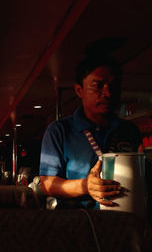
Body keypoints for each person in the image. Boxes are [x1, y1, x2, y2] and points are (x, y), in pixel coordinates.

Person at [39, 56, 143, 209]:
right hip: (78, 223)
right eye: (98, 86)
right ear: (79, 90)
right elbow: (47, 184)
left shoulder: (129, 130)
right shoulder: (59, 130)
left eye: (113, 86)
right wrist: (85, 186)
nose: (107, 94)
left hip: (124, 221)